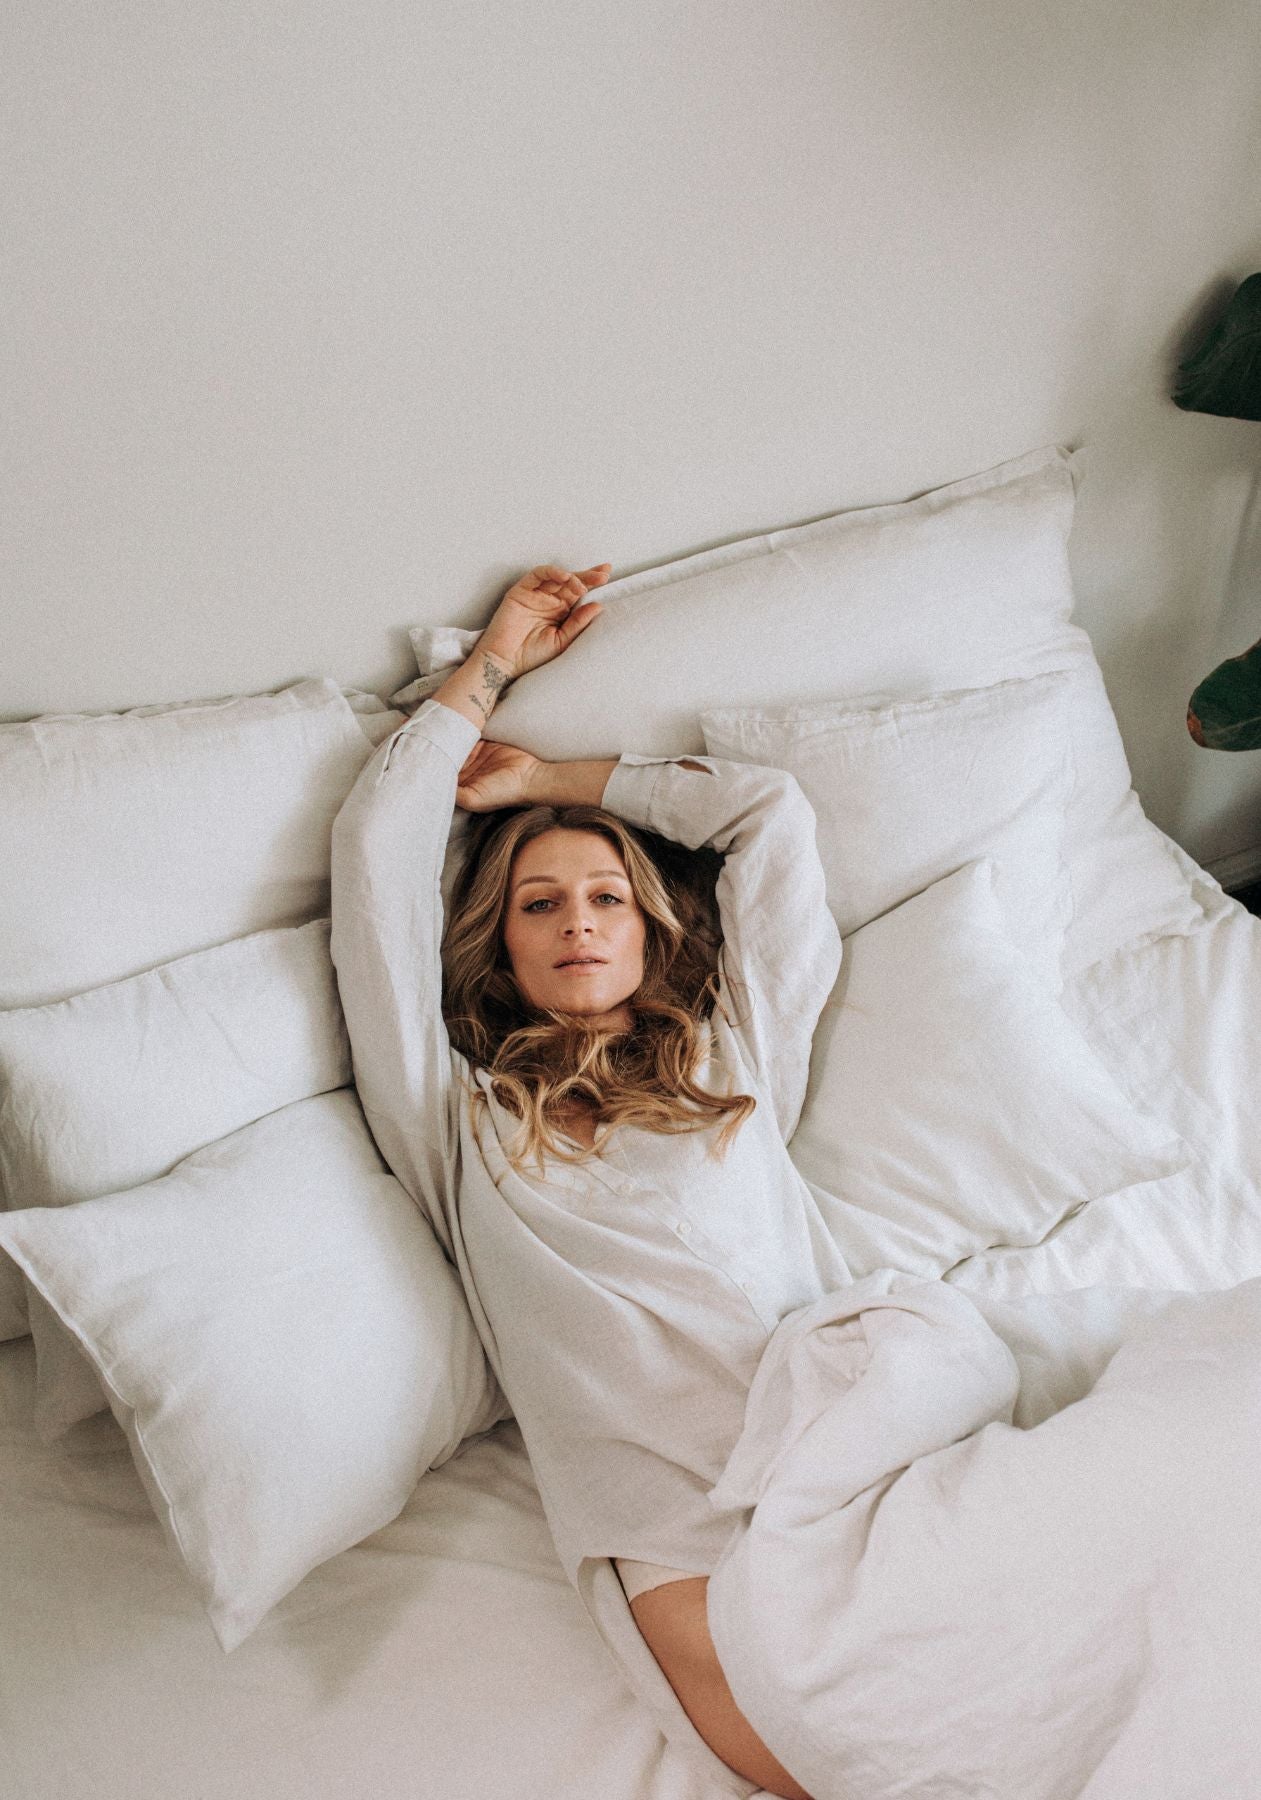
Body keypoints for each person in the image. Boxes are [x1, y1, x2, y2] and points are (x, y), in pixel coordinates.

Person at [330, 563, 848, 1800]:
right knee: (814, 1753)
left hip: (840, 1419)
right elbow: (374, 850)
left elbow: (767, 813)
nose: (578, 921)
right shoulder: (456, 1114)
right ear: (496, 945)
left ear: (651, 927)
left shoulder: (733, 1051)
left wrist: (543, 781)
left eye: (608, 897)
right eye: (539, 903)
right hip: (659, 1493)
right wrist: (489, 666)